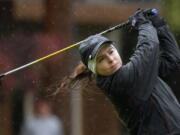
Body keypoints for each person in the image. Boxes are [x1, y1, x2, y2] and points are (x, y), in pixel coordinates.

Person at [52, 9, 180, 135]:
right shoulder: (120, 81)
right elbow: (148, 47)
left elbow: (171, 60)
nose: (110, 59)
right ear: (93, 68)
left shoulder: (139, 72)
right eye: (101, 59)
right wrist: (144, 24)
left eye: (111, 52)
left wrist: (159, 25)